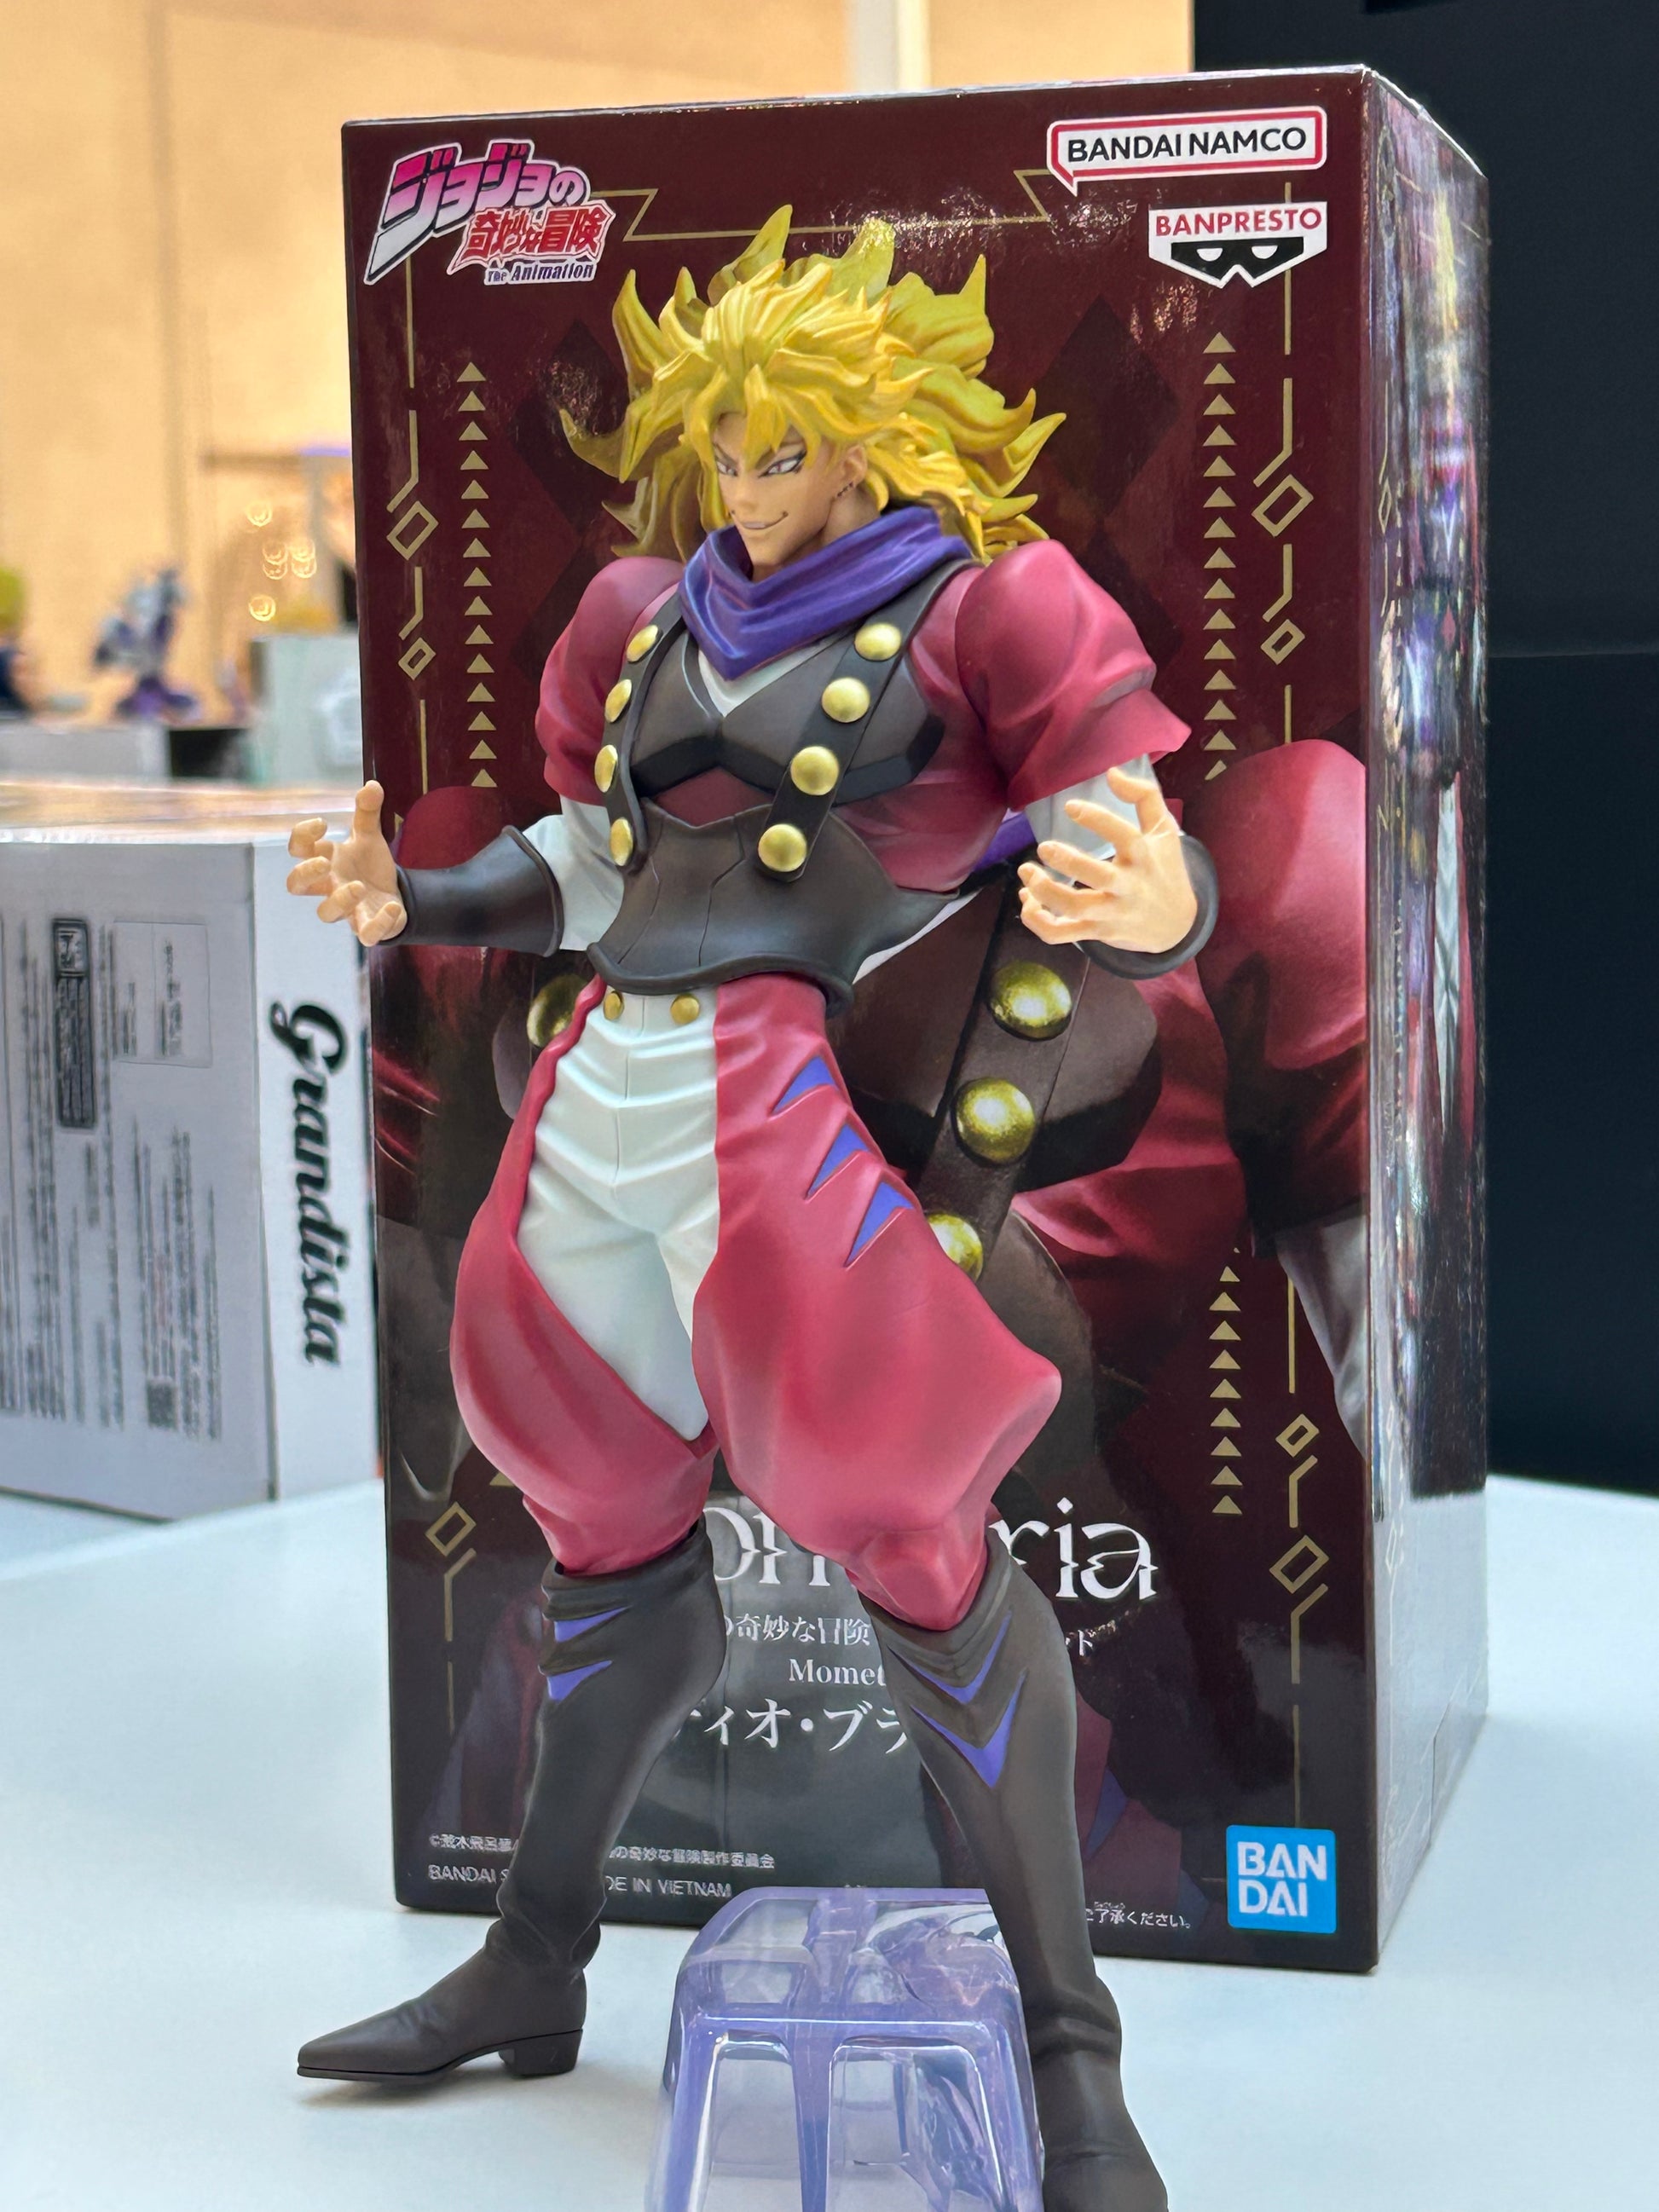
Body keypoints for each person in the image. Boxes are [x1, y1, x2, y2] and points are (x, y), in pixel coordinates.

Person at [288, 209, 1217, 2212]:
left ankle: (1072, 2057)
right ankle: (534, 1962)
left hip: (780, 1111)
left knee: (914, 1543)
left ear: (872, 441)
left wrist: (1151, 896)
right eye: (723, 444)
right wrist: (410, 897)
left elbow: (1123, 838)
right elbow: (586, 861)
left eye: (780, 446)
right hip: (601, 1099)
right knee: (593, 1521)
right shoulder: (645, 612)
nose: (744, 481)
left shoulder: (989, 612)